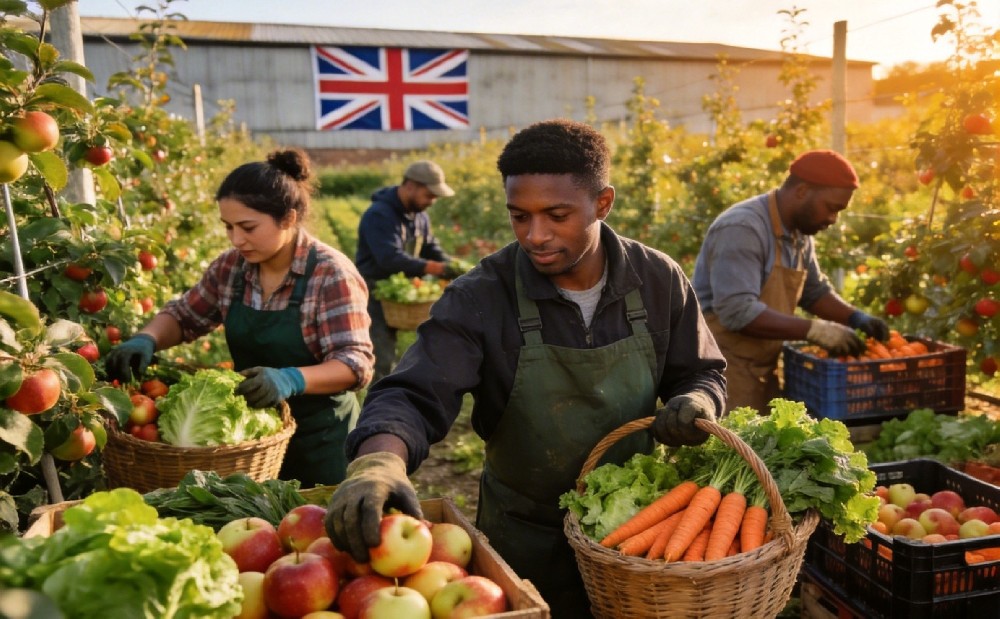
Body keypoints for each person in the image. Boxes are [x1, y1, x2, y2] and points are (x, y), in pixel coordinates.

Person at [324, 119, 727, 618]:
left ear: (602, 203)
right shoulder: (481, 296)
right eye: (519, 217)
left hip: (638, 529)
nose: (535, 236)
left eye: (557, 215)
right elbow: (413, 392)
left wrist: (698, 400)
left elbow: (702, 371)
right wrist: (379, 461)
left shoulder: (657, 279)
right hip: (523, 533)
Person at [104, 148, 374, 487]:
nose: (236, 239)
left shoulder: (330, 274)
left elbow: (355, 364)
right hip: (251, 439)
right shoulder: (231, 267)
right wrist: (148, 338)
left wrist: (291, 379)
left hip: (321, 442)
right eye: (228, 227)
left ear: (288, 218)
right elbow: (185, 316)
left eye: (248, 227)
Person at [691, 149, 889, 413]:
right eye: (831, 208)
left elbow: (814, 292)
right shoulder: (743, 228)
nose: (833, 219)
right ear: (802, 191)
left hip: (763, 366)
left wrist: (855, 317)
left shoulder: (798, 233)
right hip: (722, 370)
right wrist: (816, 330)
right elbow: (737, 312)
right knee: (727, 439)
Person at [355, 160, 464, 381]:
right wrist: (433, 268)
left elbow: (430, 246)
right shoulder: (379, 215)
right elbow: (389, 258)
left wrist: (451, 266)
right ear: (411, 186)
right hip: (374, 291)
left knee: (414, 350)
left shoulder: (419, 215)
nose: (432, 201)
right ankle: (377, 396)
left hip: (399, 289)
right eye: (429, 195)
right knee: (382, 353)